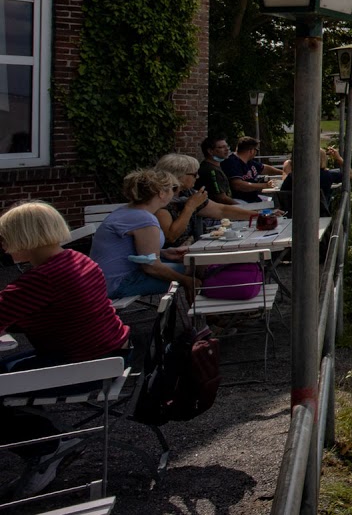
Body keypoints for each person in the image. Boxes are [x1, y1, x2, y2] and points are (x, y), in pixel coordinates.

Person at [0, 201, 133, 499]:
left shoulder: (42, 278)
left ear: (24, 237)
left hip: (85, 367)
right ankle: (41, 431)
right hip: (112, 354)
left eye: (5, 238)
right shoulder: (76, 260)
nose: (4, 247)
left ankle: (46, 447)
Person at [89, 168, 196, 299]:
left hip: (102, 280)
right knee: (196, 270)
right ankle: (204, 315)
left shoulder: (127, 211)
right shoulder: (144, 219)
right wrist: (185, 281)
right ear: (161, 193)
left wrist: (164, 252)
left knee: (192, 266)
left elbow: (131, 251)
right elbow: (151, 267)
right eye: (173, 189)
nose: (175, 193)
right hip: (117, 283)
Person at [154, 153, 258, 245]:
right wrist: (190, 207)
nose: (198, 177)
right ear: (179, 176)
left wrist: (259, 216)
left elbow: (221, 210)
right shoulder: (162, 200)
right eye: (194, 174)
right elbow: (170, 237)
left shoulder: (186, 193)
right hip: (176, 255)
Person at [222, 136, 277, 202]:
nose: (256, 153)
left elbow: (264, 168)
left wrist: (283, 172)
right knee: (274, 205)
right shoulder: (232, 162)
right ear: (251, 151)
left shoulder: (248, 162)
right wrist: (265, 185)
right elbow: (238, 185)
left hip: (252, 198)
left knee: (273, 201)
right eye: (256, 150)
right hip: (238, 200)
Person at [198, 134, 238, 205]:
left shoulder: (214, 166)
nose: (227, 149)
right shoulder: (211, 170)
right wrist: (243, 207)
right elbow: (221, 198)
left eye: (227, 146)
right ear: (210, 151)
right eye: (221, 147)